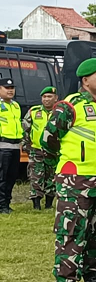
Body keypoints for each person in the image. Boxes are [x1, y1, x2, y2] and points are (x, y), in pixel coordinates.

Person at [41, 57, 96, 282]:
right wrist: (70, 165)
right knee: (72, 233)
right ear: (86, 81)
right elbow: (48, 140)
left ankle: (93, 280)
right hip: (75, 181)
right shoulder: (69, 106)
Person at [22, 86, 59, 210]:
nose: (46, 99)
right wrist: (27, 147)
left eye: (49, 96)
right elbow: (25, 130)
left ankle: (49, 204)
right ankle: (36, 205)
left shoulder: (59, 112)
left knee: (52, 178)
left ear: (56, 98)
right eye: (44, 97)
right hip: (36, 151)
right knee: (35, 177)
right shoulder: (34, 111)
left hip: (54, 152)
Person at [0, 77, 22, 214]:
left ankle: (7, 203)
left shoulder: (15, 105)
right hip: (2, 145)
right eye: (7, 88)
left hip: (15, 146)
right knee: (1, 177)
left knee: (12, 176)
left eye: (12, 88)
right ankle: (2, 206)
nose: (10, 91)